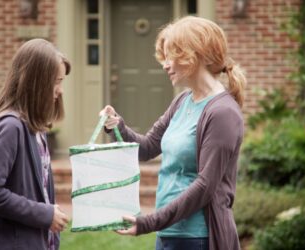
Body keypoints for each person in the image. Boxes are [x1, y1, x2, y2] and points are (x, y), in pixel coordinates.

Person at [100, 16, 246, 250]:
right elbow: (147, 147)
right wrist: (118, 127)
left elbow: (205, 187)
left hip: (197, 238)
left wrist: (149, 222)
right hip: (170, 232)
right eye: (164, 57)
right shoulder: (182, 101)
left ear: (194, 54)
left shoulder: (223, 113)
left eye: (171, 56)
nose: (165, 64)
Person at [0, 38, 71, 250]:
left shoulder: (36, 128)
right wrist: (44, 214)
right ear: (36, 82)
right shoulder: (10, 128)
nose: (60, 90)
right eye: (56, 81)